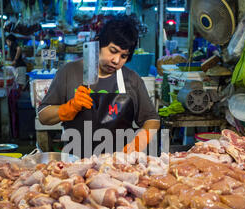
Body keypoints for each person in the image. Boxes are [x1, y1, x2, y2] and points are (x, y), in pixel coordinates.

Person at [38, 15, 160, 158]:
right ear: (98, 44)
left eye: (123, 56)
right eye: (113, 51)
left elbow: (152, 119)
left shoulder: (132, 79)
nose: (116, 60)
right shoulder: (69, 72)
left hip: (119, 164)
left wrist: (139, 142)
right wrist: (67, 109)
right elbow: (43, 116)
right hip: (76, 164)